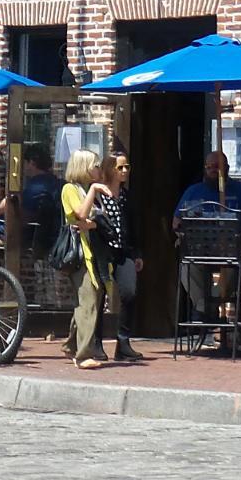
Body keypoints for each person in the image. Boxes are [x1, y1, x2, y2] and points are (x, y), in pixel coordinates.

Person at [174, 151, 241, 322]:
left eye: (216, 166)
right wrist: (183, 233)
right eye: (208, 167)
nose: (212, 170)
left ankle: (207, 307)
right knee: (188, 267)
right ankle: (206, 308)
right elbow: (176, 221)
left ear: (227, 168)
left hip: (234, 249)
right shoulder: (194, 191)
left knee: (235, 267)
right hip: (202, 249)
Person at [59, 148, 110, 370]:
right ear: (84, 168)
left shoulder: (87, 190)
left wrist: (91, 223)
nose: (98, 169)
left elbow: (94, 221)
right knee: (87, 300)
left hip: (93, 252)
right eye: (95, 166)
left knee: (91, 298)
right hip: (79, 253)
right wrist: (94, 190)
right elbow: (80, 214)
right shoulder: (70, 189)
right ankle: (83, 355)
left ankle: (71, 344)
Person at [96, 153, 144, 361]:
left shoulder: (126, 196)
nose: (124, 171)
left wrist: (137, 253)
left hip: (124, 251)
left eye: (127, 167)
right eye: (120, 168)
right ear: (110, 169)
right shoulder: (99, 194)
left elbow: (133, 226)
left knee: (129, 292)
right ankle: (96, 343)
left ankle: (123, 342)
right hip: (104, 252)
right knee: (99, 297)